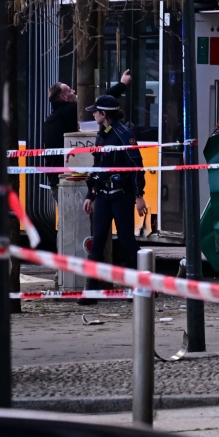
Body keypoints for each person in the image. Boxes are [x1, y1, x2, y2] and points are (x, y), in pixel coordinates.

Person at [80, 94, 147, 305]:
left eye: (95, 111)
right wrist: (90, 194)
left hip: (122, 196)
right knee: (97, 241)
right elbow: (98, 167)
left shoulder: (124, 135)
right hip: (103, 196)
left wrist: (139, 196)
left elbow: (137, 167)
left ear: (104, 113)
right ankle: (91, 291)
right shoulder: (102, 134)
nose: (92, 114)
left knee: (127, 241)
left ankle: (143, 287)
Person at [44, 70, 131, 201]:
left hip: (56, 179)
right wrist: (122, 84)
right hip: (70, 180)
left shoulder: (50, 120)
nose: (74, 91)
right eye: (69, 90)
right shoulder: (70, 111)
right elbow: (102, 102)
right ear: (63, 97)